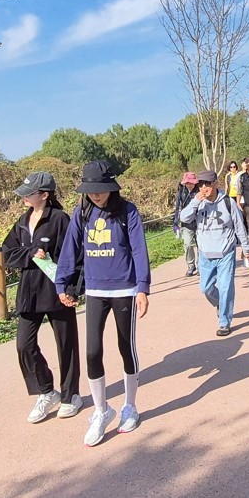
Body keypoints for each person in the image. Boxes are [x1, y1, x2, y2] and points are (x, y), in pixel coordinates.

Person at [55, 160, 151, 447]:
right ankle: (101, 410)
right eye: (90, 190)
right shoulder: (82, 212)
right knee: (92, 352)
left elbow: (139, 249)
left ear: (111, 186)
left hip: (124, 289)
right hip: (95, 290)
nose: (95, 194)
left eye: (100, 189)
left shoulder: (127, 211)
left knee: (126, 347)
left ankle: (130, 406)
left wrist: (143, 288)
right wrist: (61, 283)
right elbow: (70, 249)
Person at [0, 171, 81, 424]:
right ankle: (46, 391)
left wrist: (72, 289)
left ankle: (71, 396)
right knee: (24, 345)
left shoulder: (60, 219)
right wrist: (32, 252)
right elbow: (8, 252)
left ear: (44, 195)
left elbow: (73, 255)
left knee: (66, 345)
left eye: (29, 194)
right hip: (29, 292)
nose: (24, 198)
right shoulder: (22, 221)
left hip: (57, 290)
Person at [179, 169, 249, 336]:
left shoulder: (227, 202)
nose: (204, 188)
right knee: (206, 288)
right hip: (205, 253)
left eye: (207, 184)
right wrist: (196, 201)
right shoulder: (197, 202)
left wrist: (246, 248)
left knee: (225, 288)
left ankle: (224, 322)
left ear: (216, 184)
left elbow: (239, 226)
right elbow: (184, 218)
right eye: (201, 185)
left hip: (226, 252)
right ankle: (220, 303)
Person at [173, 171, 199, 277]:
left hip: (199, 221)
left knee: (201, 245)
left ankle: (200, 266)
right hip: (186, 222)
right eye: (188, 183)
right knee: (187, 244)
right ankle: (191, 265)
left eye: (191, 182)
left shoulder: (199, 190)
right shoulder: (181, 191)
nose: (190, 185)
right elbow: (178, 208)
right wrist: (175, 223)